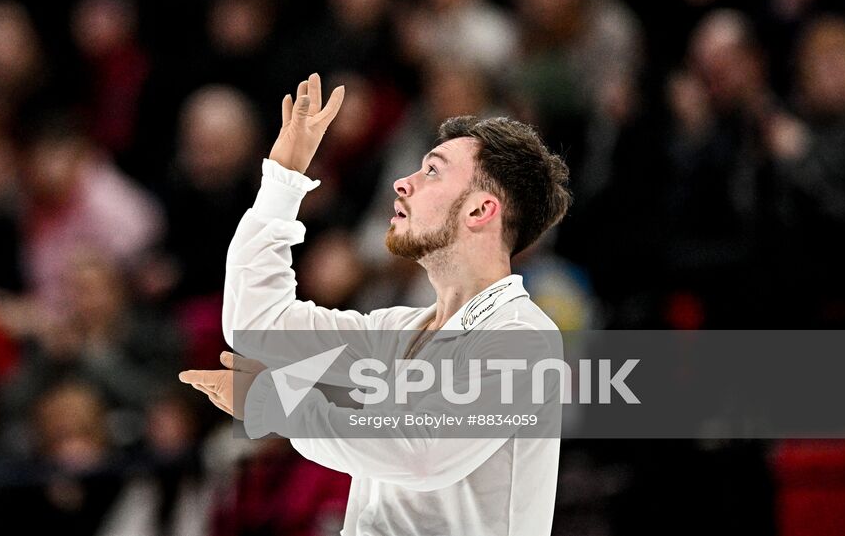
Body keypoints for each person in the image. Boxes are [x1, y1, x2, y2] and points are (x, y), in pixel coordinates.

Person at [179, 73, 571, 535]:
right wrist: (283, 181)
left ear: (480, 211)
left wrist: (274, 403)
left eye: (432, 171)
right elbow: (257, 326)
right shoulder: (397, 331)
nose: (403, 183)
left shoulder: (523, 339)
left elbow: (421, 454)